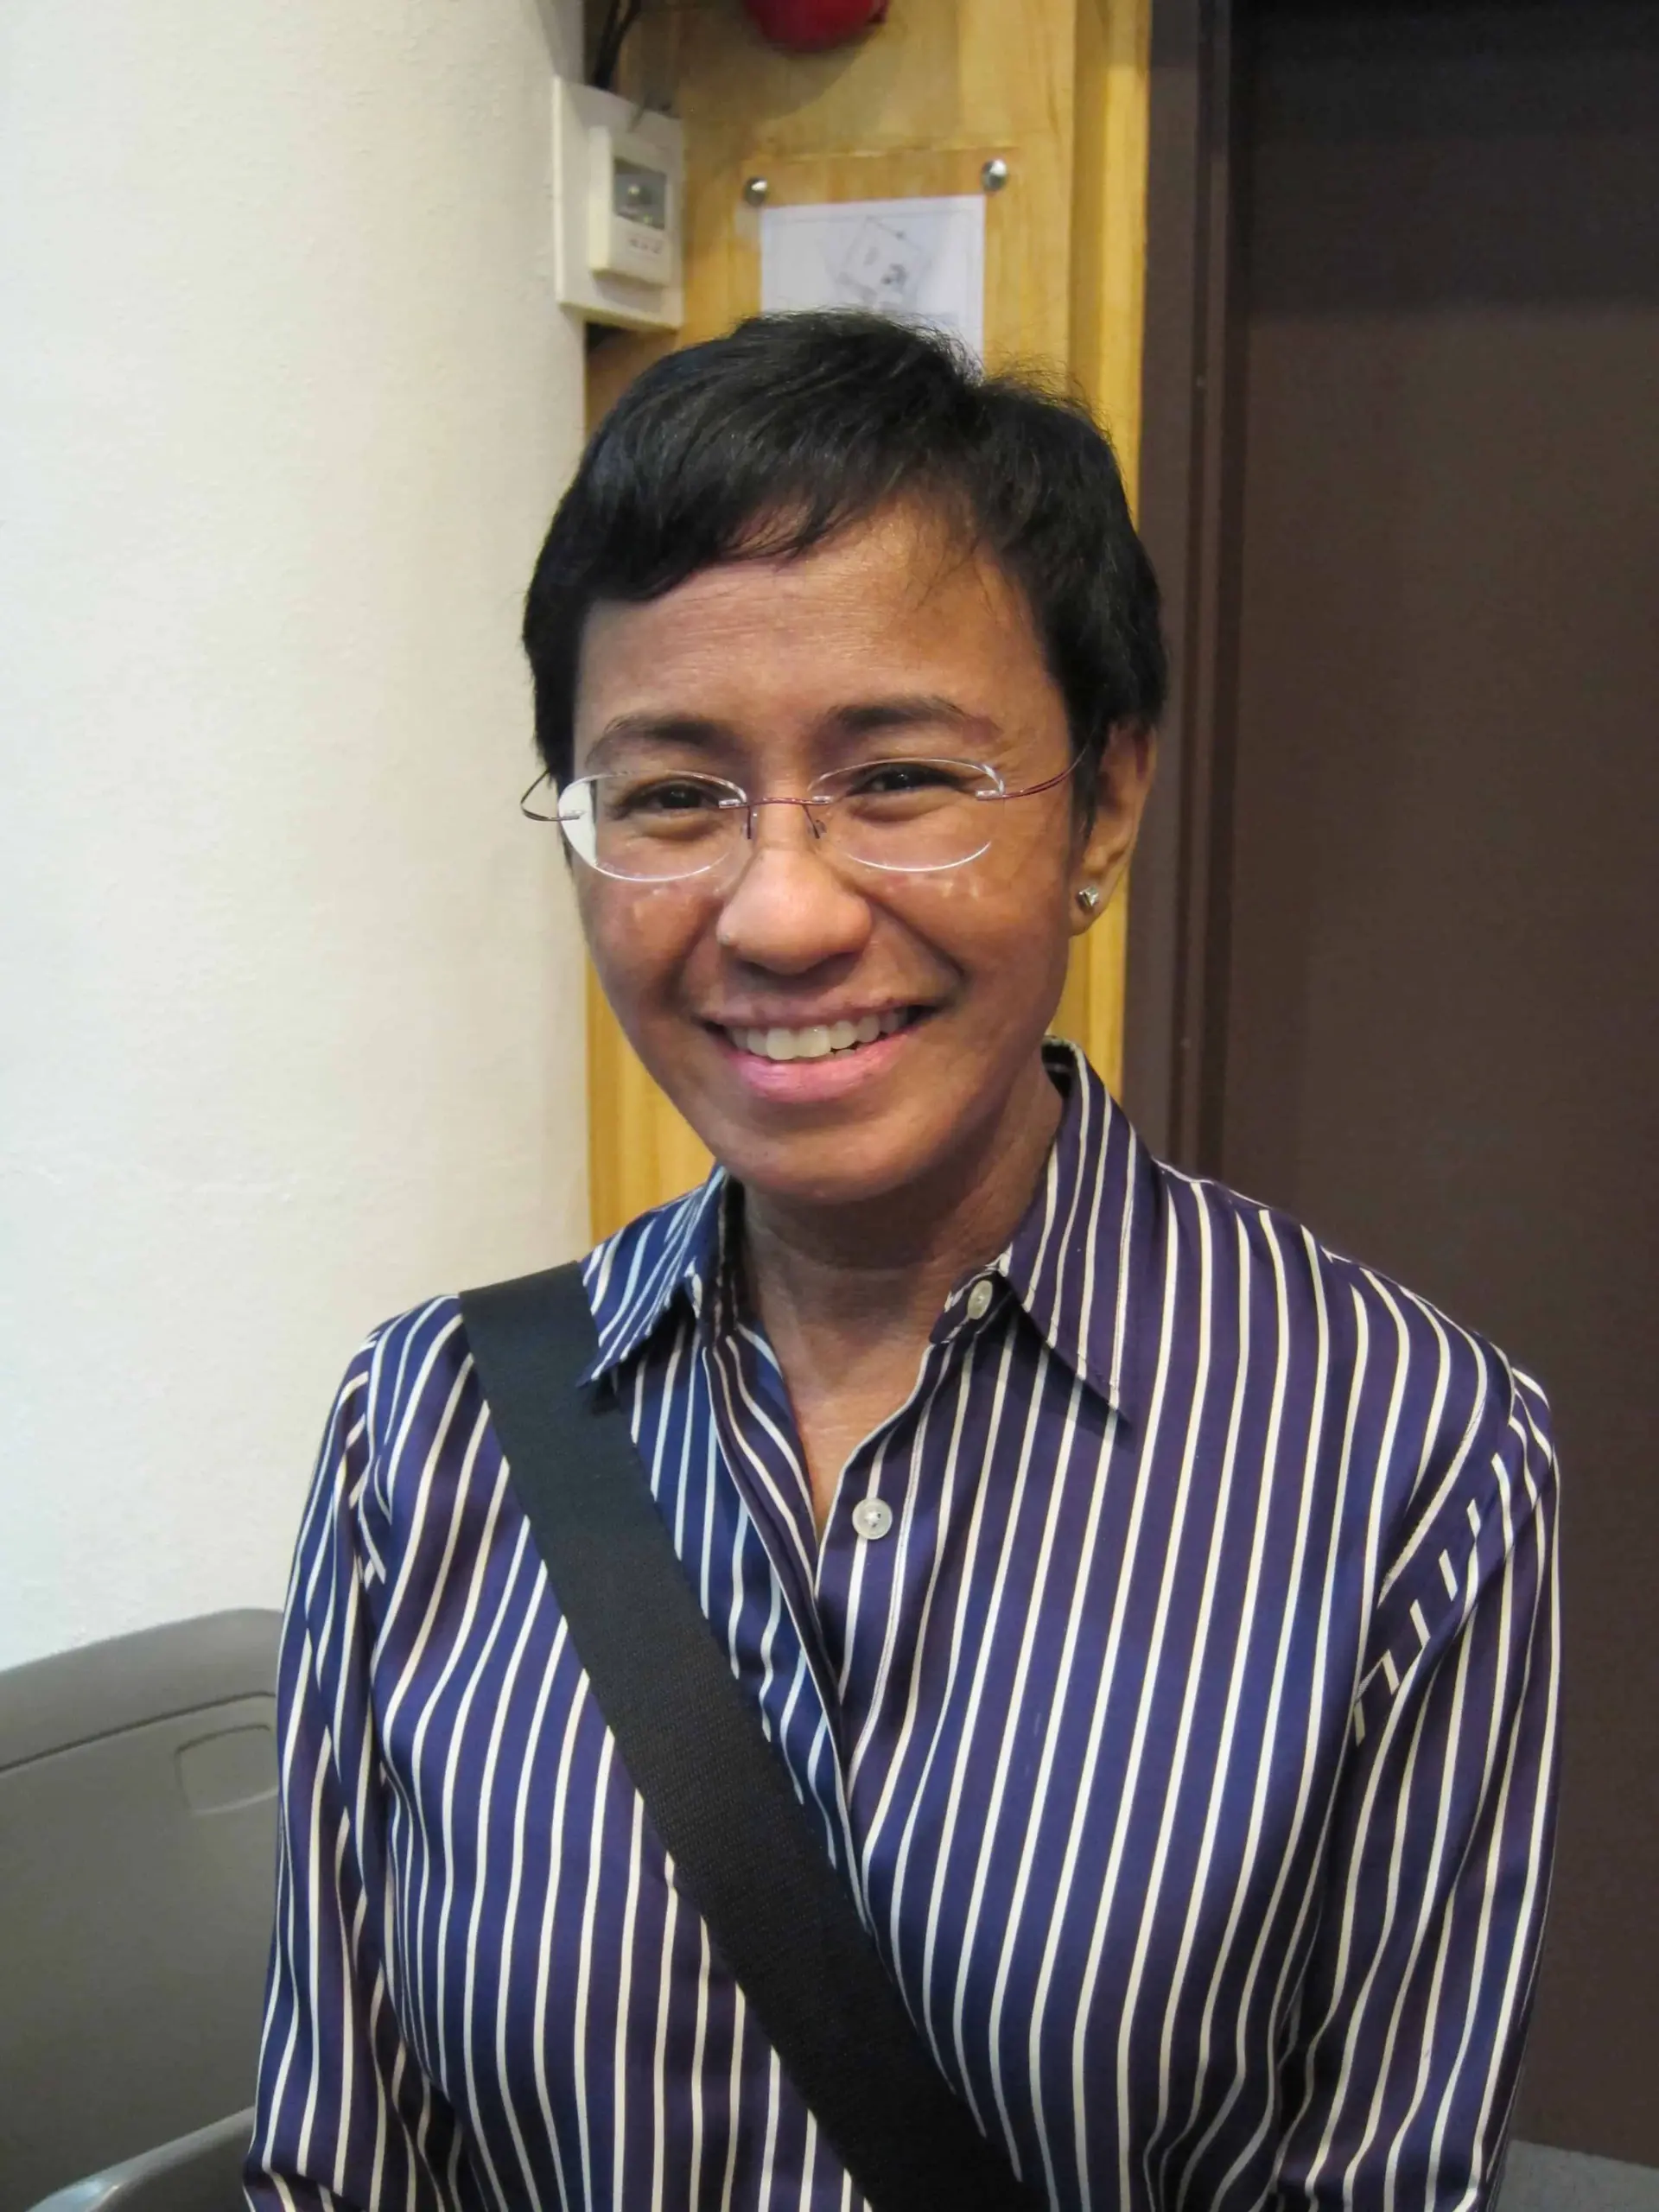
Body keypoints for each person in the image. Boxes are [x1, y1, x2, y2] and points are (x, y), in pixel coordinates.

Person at [245, 312, 1559, 2210]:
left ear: (1104, 796)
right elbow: (338, 2167)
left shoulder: (1409, 1458)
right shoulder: (426, 1434)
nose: (780, 910)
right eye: (675, 794)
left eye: (903, 779)